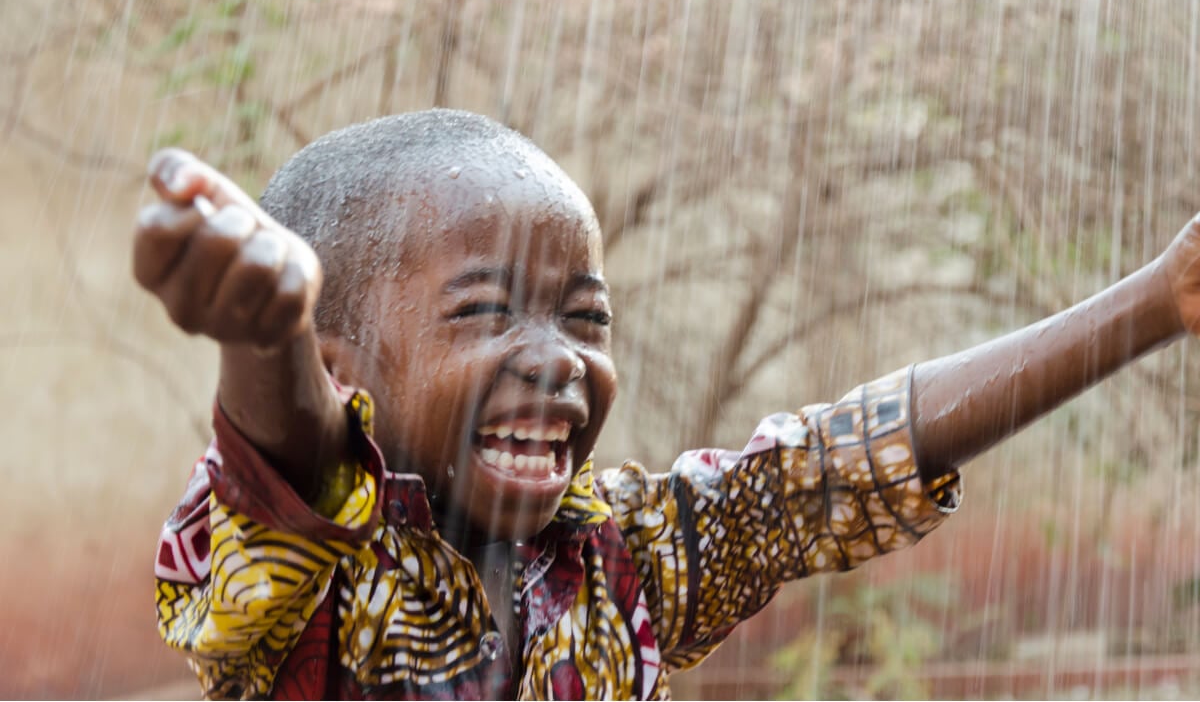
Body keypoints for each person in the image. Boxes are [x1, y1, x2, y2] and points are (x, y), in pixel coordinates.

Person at [137, 109, 1200, 700]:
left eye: (584, 319)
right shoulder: (301, 581)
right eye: (487, 314)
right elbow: (296, 476)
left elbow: (836, 469)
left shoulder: (620, 565)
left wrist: (1157, 299)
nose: (557, 360)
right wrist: (263, 337)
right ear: (340, 370)